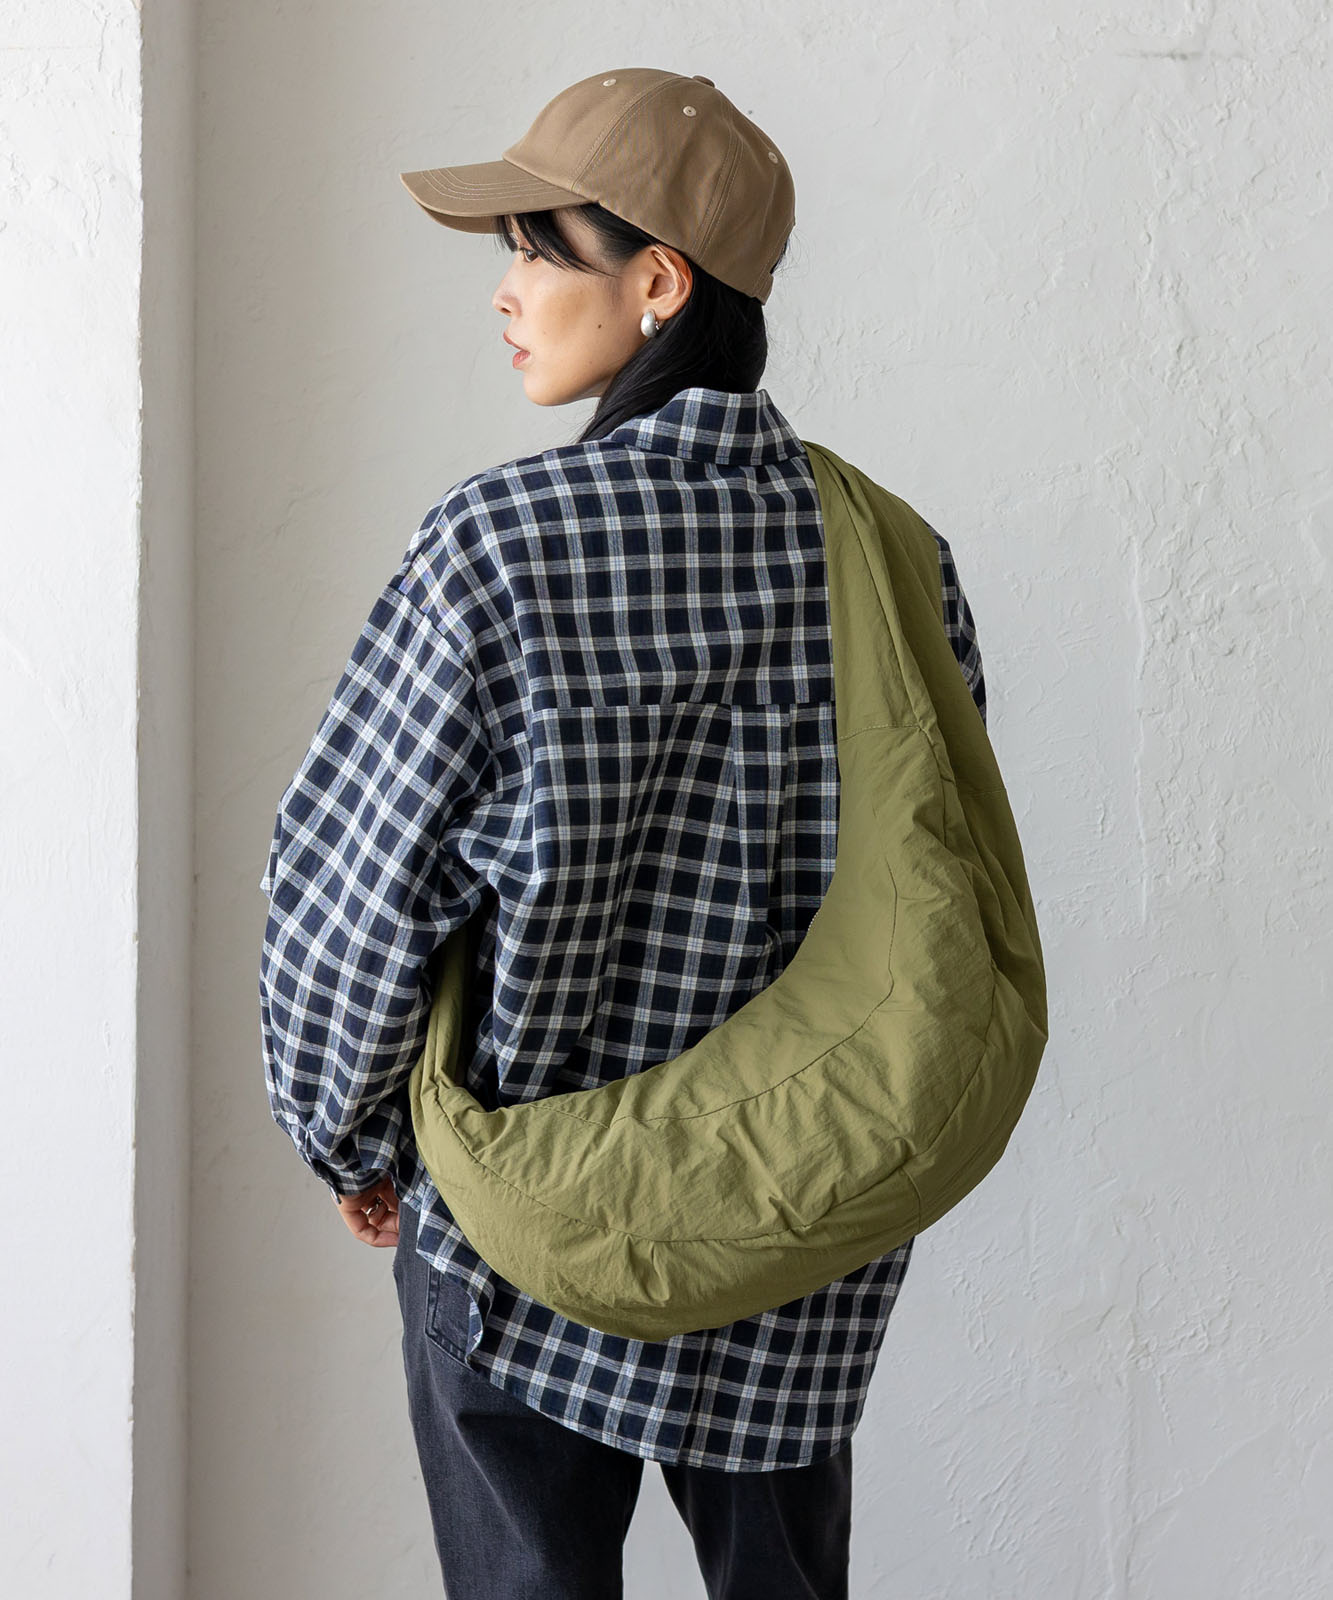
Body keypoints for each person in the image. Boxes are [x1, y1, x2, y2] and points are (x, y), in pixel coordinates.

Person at [258, 67, 987, 1600]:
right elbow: (941, 884)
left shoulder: (496, 547)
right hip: (798, 1224)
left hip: (523, 1234)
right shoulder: (892, 557)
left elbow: (353, 896)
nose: (505, 291)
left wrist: (347, 1137)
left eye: (537, 250)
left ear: (658, 282)